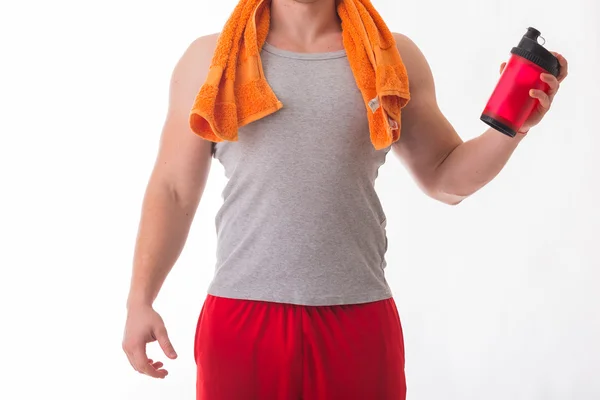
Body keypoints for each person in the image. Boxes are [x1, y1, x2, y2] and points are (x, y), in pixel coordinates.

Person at [122, 0, 568, 398]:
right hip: (242, 319)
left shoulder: (392, 57)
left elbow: (445, 178)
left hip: (358, 320)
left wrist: (514, 127)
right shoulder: (210, 58)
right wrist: (140, 299)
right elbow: (174, 189)